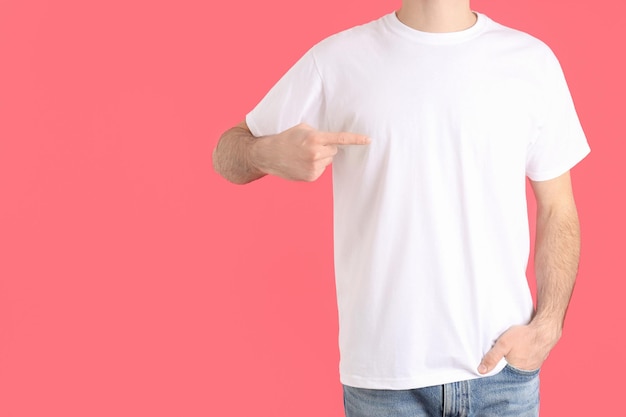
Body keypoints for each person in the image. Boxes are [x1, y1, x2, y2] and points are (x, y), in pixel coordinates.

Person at [212, 0, 590, 415]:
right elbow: (227, 152)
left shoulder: (531, 63)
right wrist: (267, 153)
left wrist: (548, 325)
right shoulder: (338, 60)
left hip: (502, 376)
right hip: (384, 385)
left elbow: (558, 209)